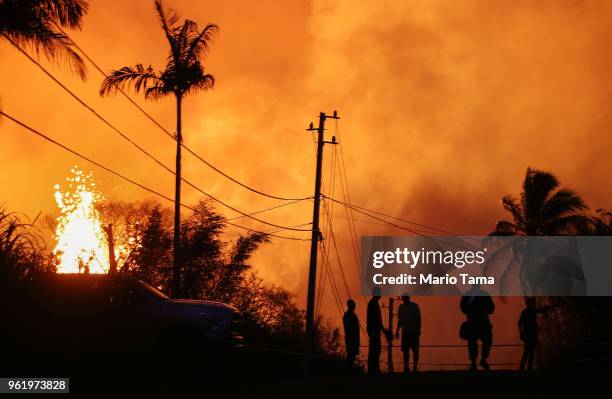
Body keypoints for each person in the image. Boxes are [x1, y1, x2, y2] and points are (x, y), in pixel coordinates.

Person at [460, 283, 495, 371]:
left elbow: (463, 307)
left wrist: (471, 312)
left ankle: (475, 362)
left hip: (473, 323)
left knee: (473, 343)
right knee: (486, 341)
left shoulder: (468, 295)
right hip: (482, 322)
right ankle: (482, 360)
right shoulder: (484, 294)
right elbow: (491, 308)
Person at [395, 295, 421, 373]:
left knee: (414, 350)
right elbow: (400, 320)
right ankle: (406, 366)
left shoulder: (414, 306)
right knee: (406, 351)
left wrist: (418, 329)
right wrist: (397, 331)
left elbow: (418, 318)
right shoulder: (401, 307)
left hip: (413, 331)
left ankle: (415, 366)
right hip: (406, 332)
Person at [367, 288, 387, 374]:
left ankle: (373, 367)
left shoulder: (373, 303)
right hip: (374, 329)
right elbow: (376, 319)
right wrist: (383, 329)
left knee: (375, 349)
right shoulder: (373, 304)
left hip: (374, 329)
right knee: (375, 349)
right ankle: (373, 368)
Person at [518, 297, 538, 371]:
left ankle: (522, 367)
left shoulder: (524, 312)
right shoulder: (532, 311)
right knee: (531, 352)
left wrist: (521, 333)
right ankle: (528, 368)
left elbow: (519, 323)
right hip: (531, 335)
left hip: (526, 335)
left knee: (526, 352)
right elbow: (542, 310)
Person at [343, 299, 360, 370]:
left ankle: (349, 369)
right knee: (350, 355)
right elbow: (348, 328)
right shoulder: (348, 315)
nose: (354, 307)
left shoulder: (352, 315)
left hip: (353, 338)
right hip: (351, 338)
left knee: (352, 356)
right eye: (353, 305)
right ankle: (348, 370)